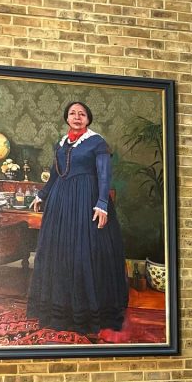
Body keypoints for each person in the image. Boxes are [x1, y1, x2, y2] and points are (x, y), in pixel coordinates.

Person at [27, 101, 129, 335]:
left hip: (86, 199)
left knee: (84, 251)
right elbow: (56, 174)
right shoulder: (61, 143)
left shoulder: (97, 142)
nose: (77, 117)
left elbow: (104, 174)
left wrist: (102, 203)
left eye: (82, 114)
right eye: (72, 113)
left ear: (88, 119)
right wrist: (42, 194)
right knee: (60, 252)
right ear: (66, 118)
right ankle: (60, 311)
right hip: (61, 203)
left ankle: (88, 312)